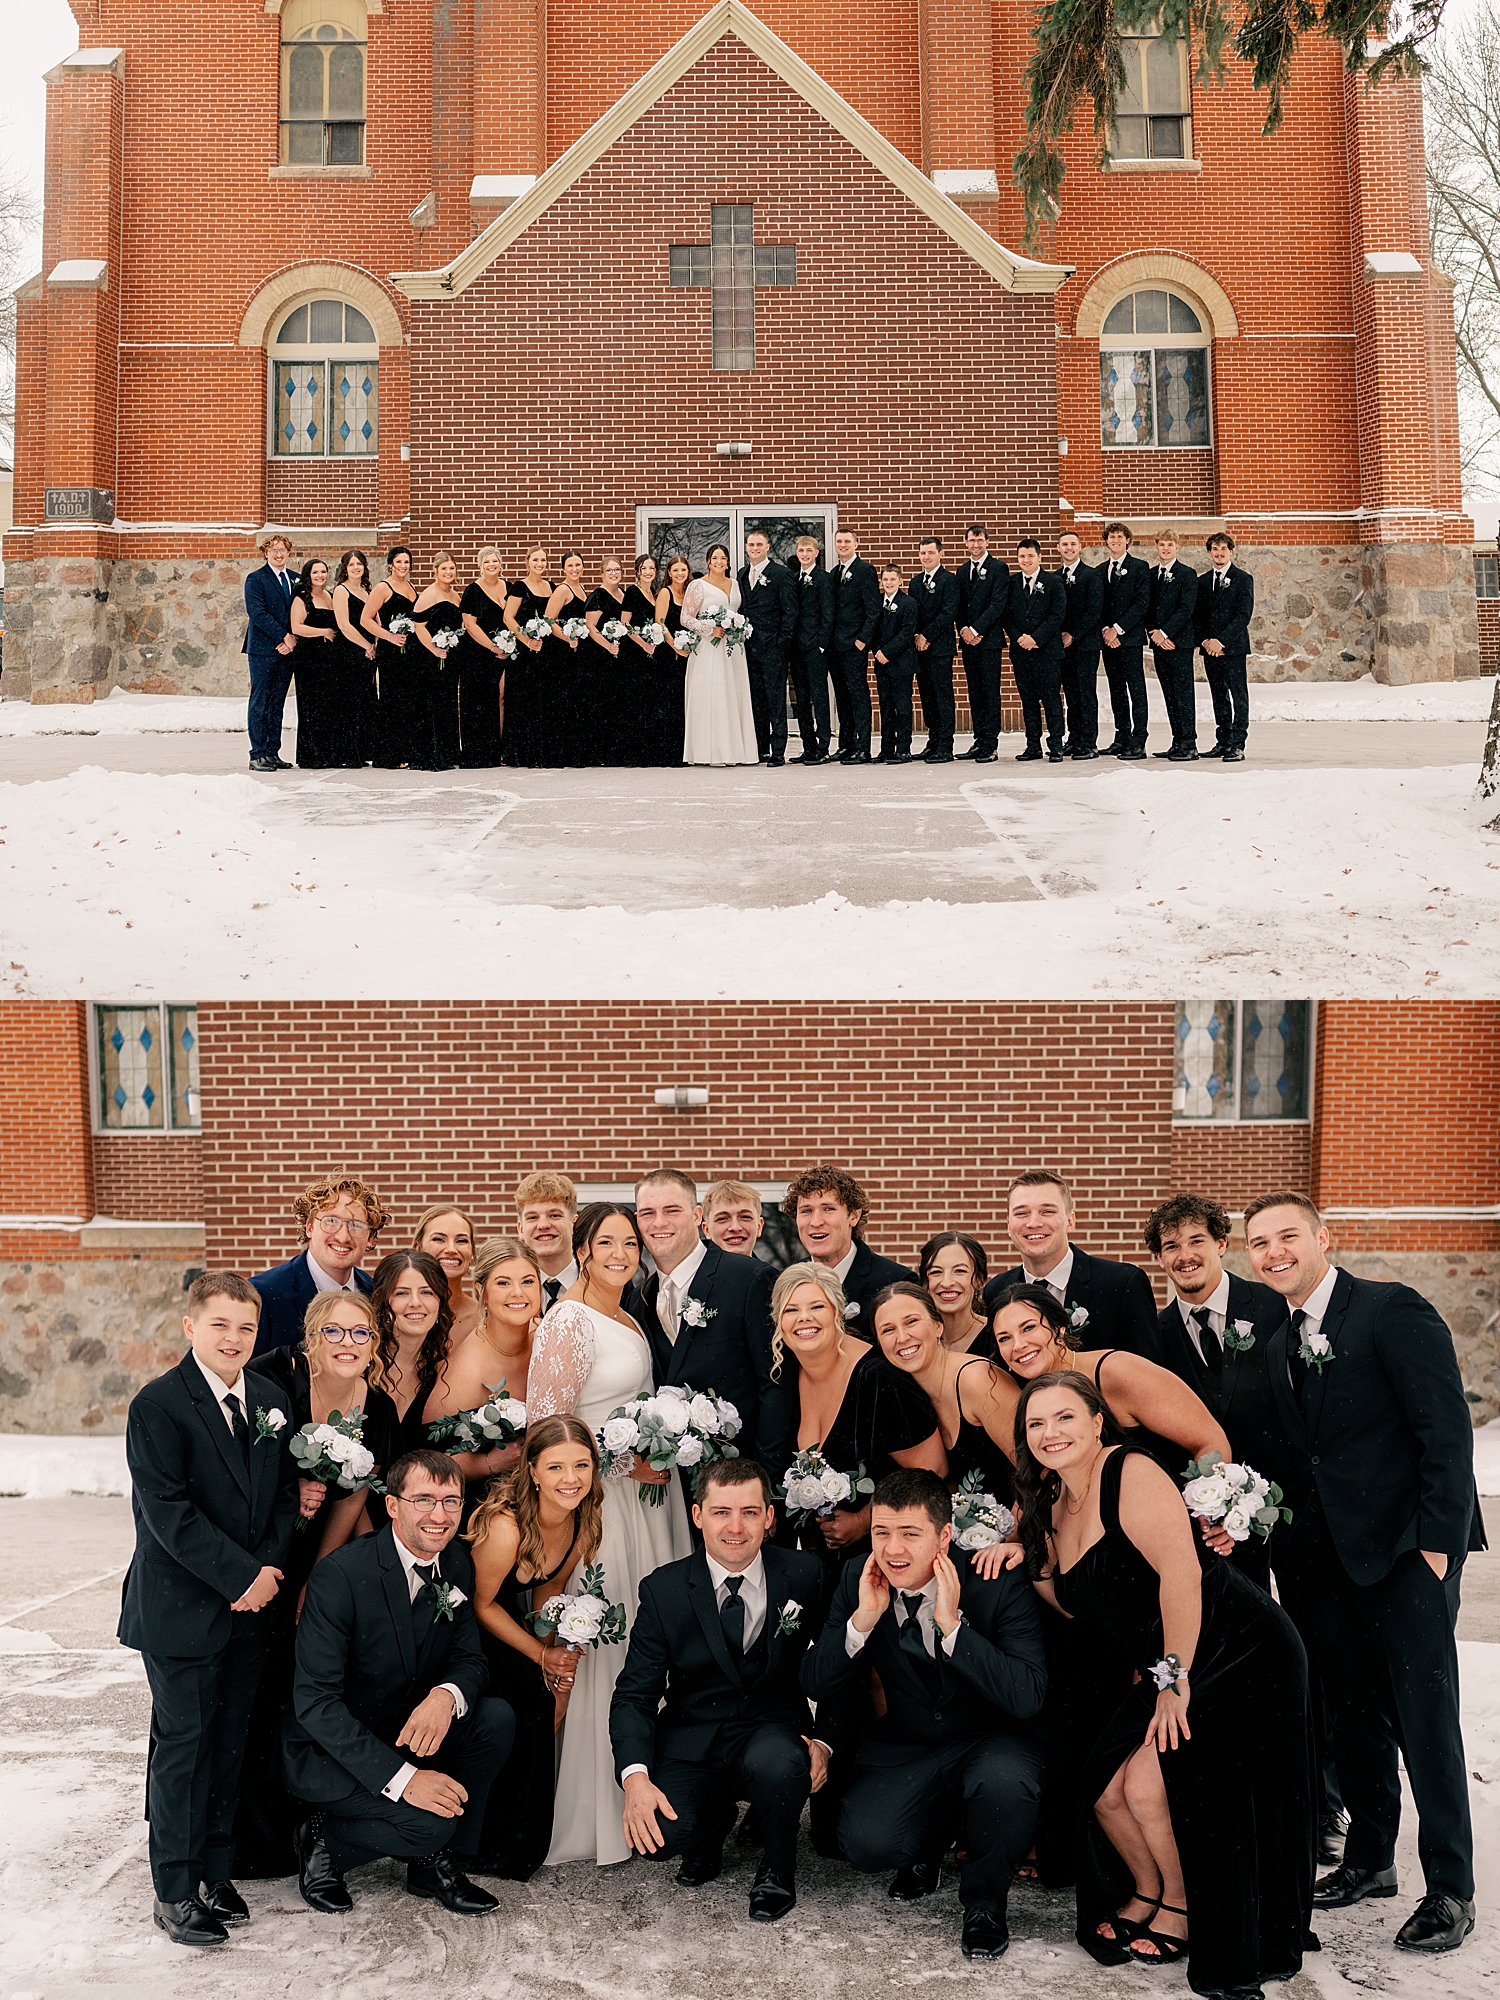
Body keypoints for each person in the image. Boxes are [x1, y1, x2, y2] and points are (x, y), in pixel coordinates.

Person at [1015, 1371, 1313, 1993]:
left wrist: (1173, 1683)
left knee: (1149, 1784)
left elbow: (1182, 1575)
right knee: (1103, 1786)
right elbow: (1073, 1599)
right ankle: (1150, 1890)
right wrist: (1020, 1553)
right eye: (1037, 1423)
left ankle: (1185, 1907)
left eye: (1065, 1417)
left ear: (1098, 1421)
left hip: (1236, 1645)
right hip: (1167, 1656)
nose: (1050, 1433)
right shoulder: (1046, 1498)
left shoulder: (1131, 1472)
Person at [1247, 1191, 1484, 1953]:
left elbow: (1445, 1431)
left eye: (1287, 1236)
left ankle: (1450, 1887)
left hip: (1404, 1554)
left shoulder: (1391, 1309)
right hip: (1320, 1567)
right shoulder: (1278, 1339)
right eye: (1258, 1244)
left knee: (1424, 1720)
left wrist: (1437, 1549)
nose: (1274, 1252)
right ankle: (1371, 1861)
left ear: (1323, 1237)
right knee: (1351, 1716)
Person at [118, 1273, 299, 1947]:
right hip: (181, 1608)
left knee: (230, 1744)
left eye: (246, 1328)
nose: (234, 1339)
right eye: (220, 1325)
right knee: (184, 1748)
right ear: (192, 1327)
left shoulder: (272, 1401)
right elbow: (168, 1514)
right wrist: (241, 1576)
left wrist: (268, 1573)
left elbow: (284, 1497)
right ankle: (173, 1888)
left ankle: (215, 1872)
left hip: (253, 1606)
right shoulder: (158, 1406)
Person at [801, 1468, 1047, 1960]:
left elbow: (1028, 1694)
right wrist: (862, 1620)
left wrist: (953, 1627)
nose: (893, 1550)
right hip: (911, 1743)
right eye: (881, 1532)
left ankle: (984, 1904)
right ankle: (927, 1849)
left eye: (910, 1534)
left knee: (1004, 1784)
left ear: (944, 1535)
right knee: (865, 1844)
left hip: (989, 1742)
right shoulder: (857, 1576)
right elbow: (815, 1681)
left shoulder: (992, 1580)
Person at [525, 1202, 694, 1864]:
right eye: (607, 1242)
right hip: (608, 1502)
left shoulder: (630, 1310)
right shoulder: (568, 1318)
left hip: (653, 1498)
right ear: (583, 1250)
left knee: (655, 1642)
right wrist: (625, 1458)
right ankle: (599, 1808)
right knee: (616, 1644)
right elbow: (545, 1425)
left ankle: (649, 1789)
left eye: (631, 1241)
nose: (622, 1251)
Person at [283, 1449, 512, 1917]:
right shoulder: (340, 1575)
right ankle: (324, 1839)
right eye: (424, 1499)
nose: (439, 1515)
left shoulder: (458, 1564)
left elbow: (471, 1658)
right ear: (392, 1505)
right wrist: (404, 1780)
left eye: (451, 1501)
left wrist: (445, 1697)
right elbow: (316, 1703)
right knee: (428, 1824)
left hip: (405, 1726)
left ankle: (431, 1863)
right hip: (334, 1749)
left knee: (496, 1718)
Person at [612, 1458, 831, 1921]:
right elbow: (635, 1693)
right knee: (660, 1841)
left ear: (769, 1518)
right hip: (693, 1736)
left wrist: (825, 1742)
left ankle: (776, 1869)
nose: (736, 1527)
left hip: (771, 1729)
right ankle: (710, 1828)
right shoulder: (663, 1589)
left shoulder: (804, 1575)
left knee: (779, 1762)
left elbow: (836, 1666)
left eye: (750, 1512)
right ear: (697, 1516)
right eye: (721, 1512)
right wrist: (635, 1779)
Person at [236, 1290, 400, 1876]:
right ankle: (244, 1840)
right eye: (334, 1332)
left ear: (375, 1344)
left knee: (299, 1687)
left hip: (321, 1549)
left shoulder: (377, 1409)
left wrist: (319, 1579)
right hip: (260, 1543)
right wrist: (292, 1497)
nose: (347, 1344)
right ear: (311, 1339)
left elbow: (356, 1495)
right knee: (252, 1689)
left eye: (361, 1334)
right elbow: (243, 1467)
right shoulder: (272, 1383)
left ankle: (300, 1828)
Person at [466, 1415, 603, 1877]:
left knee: (552, 1696)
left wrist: (553, 1653)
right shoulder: (506, 1527)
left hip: (514, 1628)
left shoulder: (582, 1519)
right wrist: (539, 1656)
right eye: (557, 1467)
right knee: (530, 1705)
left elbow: (552, 1588)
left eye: (581, 1466)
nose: (571, 1479)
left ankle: (521, 1844)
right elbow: (482, 1604)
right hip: (472, 1630)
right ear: (533, 1472)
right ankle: (488, 1845)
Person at [1145, 1192, 1300, 1589]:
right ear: (1160, 1259)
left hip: (1291, 1506)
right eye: (1171, 1246)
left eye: (1196, 1240)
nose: (1185, 1255)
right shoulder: (1154, 1336)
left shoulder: (1275, 1306)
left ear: (1220, 1244)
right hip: (1207, 1523)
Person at [759, 1262, 945, 1591]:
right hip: (823, 1569)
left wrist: (863, 1521)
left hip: (886, 1564)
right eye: (792, 1309)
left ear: (838, 1312)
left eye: (817, 1306)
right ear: (778, 1321)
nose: (804, 1318)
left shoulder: (877, 1378)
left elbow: (932, 1473)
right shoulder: (785, 1377)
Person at [990, 1283, 1229, 1476]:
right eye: (1004, 1338)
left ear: (1059, 1328)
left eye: (1029, 1328)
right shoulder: (1026, 1398)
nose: (1018, 1345)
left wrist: (1209, 1511)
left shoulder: (1116, 1372)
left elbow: (1210, 1442)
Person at [627, 1169, 778, 1467]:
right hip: (667, 1485)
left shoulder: (750, 1279)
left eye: (672, 1210)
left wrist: (765, 1474)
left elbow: (775, 1385)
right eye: (648, 1213)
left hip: (739, 1473)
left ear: (697, 1216)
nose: (659, 1223)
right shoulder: (639, 1297)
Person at [984, 1168, 1162, 1360]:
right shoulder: (995, 1291)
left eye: (1047, 1211)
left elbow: (1150, 1370)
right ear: (1009, 1225)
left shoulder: (1122, 1284)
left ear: (1070, 1221)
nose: (1033, 1223)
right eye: (1022, 1213)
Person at [873, 1282, 1018, 1502]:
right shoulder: (906, 1395)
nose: (902, 1338)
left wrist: (1014, 1533)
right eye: (888, 1330)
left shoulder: (978, 1380)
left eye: (911, 1322)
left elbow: (1037, 1468)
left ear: (938, 1327)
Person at [422, 1234, 540, 1494]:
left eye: (528, 1281)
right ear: (482, 1292)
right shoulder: (464, 1372)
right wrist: (488, 1463)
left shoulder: (545, 1336)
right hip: (482, 1502)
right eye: (503, 1283)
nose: (518, 1292)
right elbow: (427, 1462)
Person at [251, 1173, 385, 1355]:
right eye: (331, 1221)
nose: (343, 1236)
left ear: (369, 1238)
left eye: (356, 1226)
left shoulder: (373, 1292)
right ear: (309, 1227)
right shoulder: (263, 1295)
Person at [781, 1164, 915, 1324]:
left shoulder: (897, 1281)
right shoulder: (784, 1284)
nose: (816, 1222)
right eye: (806, 1211)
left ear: (854, 1216)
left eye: (828, 1209)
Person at [370, 1249, 456, 1460]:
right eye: (402, 1293)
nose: (415, 1302)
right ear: (384, 1302)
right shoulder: (362, 1364)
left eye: (427, 1292)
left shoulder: (440, 1373)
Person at [682, 543, 758, 766]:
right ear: (708, 561)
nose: (719, 561)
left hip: (733, 649)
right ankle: (713, 752)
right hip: (709, 648)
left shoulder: (735, 584)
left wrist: (739, 627)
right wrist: (709, 628)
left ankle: (735, 751)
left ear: (727, 561)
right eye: (715, 558)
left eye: (723, 558)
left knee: (733, 694)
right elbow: (685, 618)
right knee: (713, 695)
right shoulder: (698, 585)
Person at [1003, 537, 1067, 762]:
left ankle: (1056, 744)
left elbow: (1057, 615)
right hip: (1021, 652)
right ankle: (1032, 745)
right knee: (1028, 700)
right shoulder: (1011, 584)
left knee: (1051, 699)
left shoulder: (1053, 582)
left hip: (1047, 651)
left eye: (1030, 556)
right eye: (1022, 556)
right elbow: (1007, 615)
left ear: (1039, 557)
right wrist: (1019, 637)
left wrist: (1036, 638)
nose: (1026, 560)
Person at [737, 529, 797, 766]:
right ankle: (760, 748)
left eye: (759, 544)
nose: (754, 548)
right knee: (756, 700)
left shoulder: (781, 575)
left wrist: (781, 643)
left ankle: (778, 750)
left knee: (775, 700)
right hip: (748, 649)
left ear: (768, 547)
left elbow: (791, 613)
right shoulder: (742, 574)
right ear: (746, 547)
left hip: (773, 648)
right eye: (751, 544)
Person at [1195, 531, 1255, 761]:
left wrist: (1221, 641)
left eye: (1223, 549)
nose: (1219, 553)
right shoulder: (1202, 582)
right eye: (1215, 549)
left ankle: (1238, 743)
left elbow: (1243, 615)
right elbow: (1198, 616)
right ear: (1209, 552)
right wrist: (1206, 641)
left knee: (1238, 695)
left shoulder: (1242, 578)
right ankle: (1223, 741)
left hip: (1233, 648)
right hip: (1210, 649)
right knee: (1218, 695)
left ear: (1231, 551)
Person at [360, 545, 419, 770]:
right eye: (399, 562)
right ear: (390, 564)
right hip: (392, 652)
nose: (403, 566)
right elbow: (365, 619)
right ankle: (391, 754)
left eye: (406, 562)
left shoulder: (410, 586)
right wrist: (388, 636)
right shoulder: (383, 588)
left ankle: (408, 749)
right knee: (393, 701)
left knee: (408, 702)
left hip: (409, 652)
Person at [243, 533, 298, 773]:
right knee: (260, 702)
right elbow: (258, 613)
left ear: (288, 553)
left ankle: (273, 752)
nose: (278, 554)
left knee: (277, 703)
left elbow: (299, 613)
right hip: (263, 650)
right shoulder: (255, 579)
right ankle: (257, 754)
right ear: (266, 553)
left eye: (282, 550)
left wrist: (292, 639)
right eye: (273, 550)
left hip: (289, 649)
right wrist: (282, 636)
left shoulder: (296, 579)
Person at [955, 524, 1010, 763]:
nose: (975, 545)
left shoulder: (998, 568)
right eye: (971, 541)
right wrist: (965, 630)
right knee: (974, 693)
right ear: (966, 543)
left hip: (988, 642)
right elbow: (958, 606)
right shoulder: (961, 570)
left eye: (979, 540)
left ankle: (991, 744)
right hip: (969, 642)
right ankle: (979, 740)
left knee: (989, 693)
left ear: (987, 542)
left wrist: (976, 629)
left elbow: (998, 605)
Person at [1098, 522, 1151, 759]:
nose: (1115, 540)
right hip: (1108, 641)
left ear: (1128, 540)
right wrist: (1106, 631)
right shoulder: (1099, 570)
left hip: (1129, 640)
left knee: (1136, 689)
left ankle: (1139, 739)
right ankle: (1122, 736)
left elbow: (1141, 604)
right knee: (1116, 689)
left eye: (1120, 536)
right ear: (1106, 541)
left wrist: (1118, 630)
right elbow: (1096, 606)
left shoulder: (1140, 568)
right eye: (1111, 537)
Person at [828, 528, 881, 763]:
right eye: (839, 541)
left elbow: (873, 609)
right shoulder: (834, 572)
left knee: (858, 696)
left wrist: (863, 640)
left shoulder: (865, 570)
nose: (842, 544)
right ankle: (846, 744)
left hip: (854, 645)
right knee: (842, 697)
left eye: (847, 541)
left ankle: (863, 747)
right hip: (835, 646)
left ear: (856, 544)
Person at [1146, 531, 1199, 760]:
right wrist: (1154, 634)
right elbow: (1146, 607)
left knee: (1184, 694)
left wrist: (1165, 633)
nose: (1166, 548)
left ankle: (1189, 744)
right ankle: (1177, 741)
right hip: (1159, 645)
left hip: (1179, 643)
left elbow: (1186, 609)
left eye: (1170, 544)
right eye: (1162, 545)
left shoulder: (1187, 574)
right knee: (1169, 694)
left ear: (1177, 547)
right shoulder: (1150, 575)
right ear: (1156, 547)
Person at [457, 547, 510, 768]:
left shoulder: (509, 587)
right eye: (487, 562)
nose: (492, 565)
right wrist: (493, 647)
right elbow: (470, 625)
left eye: (495, 561)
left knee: (503, 698)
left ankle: (502, 749)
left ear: (500, 563)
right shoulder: (473, 591)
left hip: (506, 651)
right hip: (479, 653)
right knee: (483, 701)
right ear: (480, 564)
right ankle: (482, 752)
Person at [625, 553, 680, 767]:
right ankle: (639, 754)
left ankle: (655, 750)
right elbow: (625, 624)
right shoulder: (632, 592)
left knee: (653, 702)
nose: (648, 572)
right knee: (640, 703)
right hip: (638, 654)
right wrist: (643, 643)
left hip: (653, 656)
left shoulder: (654, 594)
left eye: (652, 568)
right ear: (637, 571)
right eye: (644, 568)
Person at [411, 551, 464, 770]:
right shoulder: (428, 594)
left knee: (448, 702)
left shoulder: (455, 595)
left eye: (451, 568)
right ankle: (433, 753)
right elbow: (419, 626)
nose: (448, 572)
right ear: (436, 571)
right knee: (433, 703)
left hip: (449, 656)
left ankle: (449, 750)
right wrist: (434, 649)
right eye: (444, 569)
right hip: (430, 657)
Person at [502, 546, 553, 767]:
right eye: (535, 560)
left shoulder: (551, 587)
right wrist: (527, 640)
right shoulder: (519, 587)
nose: (539, 563)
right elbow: (508, 618)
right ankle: (520, 753)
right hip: (524, 652)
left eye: (543, 560)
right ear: (527, 561)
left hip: (546, 651)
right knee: (523, 700)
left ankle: (541, 752)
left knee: (543, 700)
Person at [289, 558, 342, 769]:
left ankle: (329, 753)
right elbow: (296, 627)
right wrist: (323, 632)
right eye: (315, 572)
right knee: (312, 706)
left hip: (329, 658)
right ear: (307, 575)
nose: (320, 576)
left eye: (323, 572)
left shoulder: (329, 596)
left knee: (328, 706)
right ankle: (312, 755)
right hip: (309, 658)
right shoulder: (302, 599)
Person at [910, 535, 959, 762]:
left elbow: (948, 613)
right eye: (922, 553)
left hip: (940, 648)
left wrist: (927, 635)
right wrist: (917, 636)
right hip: (921, 649)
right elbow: (912, 614)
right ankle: (933, 740)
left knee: (942, 696)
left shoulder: (949, 580)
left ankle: (946, 745)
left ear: (941, 554)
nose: (926, 557)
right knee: (927, 697)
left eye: (930, 552)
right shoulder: (915, 582)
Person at [786, 534, 834, 763]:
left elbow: (828, 614)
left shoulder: (824, 579)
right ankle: (808, 746)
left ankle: (823, 747)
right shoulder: (793, 579)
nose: (804, 554)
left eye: (808, 550)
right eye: (801, 551)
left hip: (815, 648)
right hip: (796, 649)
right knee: (801, 699)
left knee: (819, 697)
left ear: (816, 553)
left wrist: (822, 644)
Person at [1055, 531, 1104, 758]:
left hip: (1085, 644)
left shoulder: (1091, 576)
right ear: (1058, 548)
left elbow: (1094, 611)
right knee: (1071, 694)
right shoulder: (1055, 577)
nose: (1069, 548)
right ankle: (1073, 738)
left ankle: (1088, 742)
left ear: (1079, 547)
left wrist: (1073, 634)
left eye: (1073, 544)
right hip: (1064, 647)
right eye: (1065, 544)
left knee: (1085, 693)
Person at [540, 550, 590, 766]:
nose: (574, 569)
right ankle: (560, 753)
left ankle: (575, 751)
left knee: (576, 701)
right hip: (562, 652)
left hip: (577, 653)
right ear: (563, 569)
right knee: (563, 701)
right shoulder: (562, 589)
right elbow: (548, 620)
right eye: (570, 565)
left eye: (578, 564)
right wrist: (567, 637)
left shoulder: (582, 589)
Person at [330, 549, 377, 767]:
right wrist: (367, 645)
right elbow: (344, 625)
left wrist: (375, 643)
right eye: (351, 565)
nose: (356, 568)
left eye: (359, 564)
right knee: (350, 702)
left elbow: (375, 621)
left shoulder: (368, 590)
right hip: (348, 652)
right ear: (344, 569)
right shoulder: (341, 591)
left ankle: (363, 749)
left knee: (364, 702)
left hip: (369, 653)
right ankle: (348, 754)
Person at [583, 557, 632, 767]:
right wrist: (607, 646)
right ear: (602, 573)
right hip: (602, 656)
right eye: (610, 570)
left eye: (617, 569)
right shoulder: (597, 596)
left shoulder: (623, 594)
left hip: (621, 656)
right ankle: (601, 752)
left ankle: (617, 751)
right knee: (604, 702)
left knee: (618, 703)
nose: (614, 573)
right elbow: (591, 626)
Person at [918, 1231, 996, 1357]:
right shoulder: (914, 1340)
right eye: (936, 1272)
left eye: (959, 1271)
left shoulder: (998, 1337)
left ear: (979, 1279)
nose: (947, 1283)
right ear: (925, 1282)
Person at [870, 565, 919, 763]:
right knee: (886, 707)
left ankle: (904, 749)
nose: (888, 583)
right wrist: (877, 652)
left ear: (900, 581)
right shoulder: (876, 603)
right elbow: (871, 628)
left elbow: (907, 633)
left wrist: (887, 652)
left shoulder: (909, 603)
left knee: (903, 706)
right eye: (885, 579)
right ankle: (887, 748)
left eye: (892, 579)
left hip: (902, 662)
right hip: (881, 663)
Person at [411, 1203, 479, 1346]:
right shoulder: (398, 1315)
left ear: (472, 1251)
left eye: (461, 1241)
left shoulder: (486, 1318)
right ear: (418, 1248)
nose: (451, 1249)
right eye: (438, 1239)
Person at [515, 1170, 580, 1314]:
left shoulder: (601, 1284)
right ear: (521, 1229)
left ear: (574, 1224)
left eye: (554, 1215)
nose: (543, 1225)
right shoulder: (508, 1292)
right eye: (532, 1217)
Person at [651, 554, 693, 764]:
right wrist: (675, 646)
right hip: (669, 654)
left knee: (685, 702)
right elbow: (660, 623)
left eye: (683, 570)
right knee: (669, 702)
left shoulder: (690, 592)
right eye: (675, 570)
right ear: (669, 573)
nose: (679, 574)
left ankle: (685, 751)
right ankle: (669, 752)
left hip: (688, 654)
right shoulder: (665, 593)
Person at [702, 1178, 766, 1256]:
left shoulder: (769, 1268)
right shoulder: (688, 1268)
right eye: (722, 1219)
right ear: (707, 1230)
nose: (735, 1228)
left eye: (745, 1217)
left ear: (759, 1227)